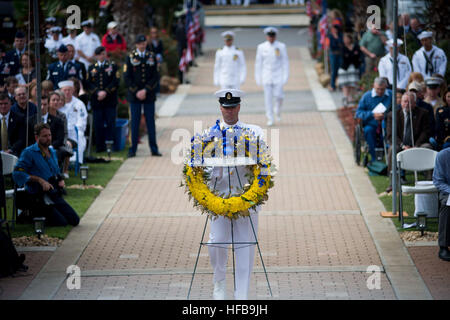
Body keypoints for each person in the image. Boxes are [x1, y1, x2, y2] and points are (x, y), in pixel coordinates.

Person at [207, 88, 264, 300]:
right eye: (225, 108)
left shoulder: (255, 131)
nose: (229, 112)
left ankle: (242, 294)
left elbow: (263, 163)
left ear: (238, 107)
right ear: (220, 108)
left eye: (232, 108)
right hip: (220, 197)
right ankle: (219, 282)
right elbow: (203, 170)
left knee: (245, 247)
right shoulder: (208, 135)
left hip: (246, 199)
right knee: (216, 242)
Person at [12, 123, 80, 227]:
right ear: (36, 137)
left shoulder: (52, 151)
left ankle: (42, 213)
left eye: (49, 135)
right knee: (62, 223)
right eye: (44, 136)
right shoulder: (28, 152)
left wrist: (60, 179)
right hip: (38, 195)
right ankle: (28, 215)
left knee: (75, 220)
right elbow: (17, 173)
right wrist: (39, 180)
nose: (48, 138)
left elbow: (55, 171)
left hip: (53, 193)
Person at [123, 34, 161, 158]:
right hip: (134, 96)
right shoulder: (130, 57)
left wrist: (145, 90)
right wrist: (137, 91)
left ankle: (154, 148)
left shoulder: (151, 56)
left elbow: (155, 76)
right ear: (136, 45)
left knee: (151, 122)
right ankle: (132, 149)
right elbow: (127, 77)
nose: (142, 45)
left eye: (144, 43)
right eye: (140, 43)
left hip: (148, 95)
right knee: (135, 122)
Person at [385, 92, 431, 192]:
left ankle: (429, 183)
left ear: (415, 103)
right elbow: (391, 135)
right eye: (405, 102)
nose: (407, 104)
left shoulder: (423, 113)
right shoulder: (393, 115)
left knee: (428, 147)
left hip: (417, 144)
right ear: (401, 102)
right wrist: (403, 146)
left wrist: (416, 145)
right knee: (392, 149)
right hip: (400, 145)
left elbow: (425, 132)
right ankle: (392, 183)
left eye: (410, 102)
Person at [86, 46, 120, 152]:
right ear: (96, 56)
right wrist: (97, 92)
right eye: (100, 54)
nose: (102, 56)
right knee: (98, 124)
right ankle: (100, 146)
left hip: (109, 100)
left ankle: (111, 145)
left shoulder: (112, 66)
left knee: (110, 123)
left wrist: (106, 91)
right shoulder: (91, 68)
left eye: (103, 54)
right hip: (97, 101)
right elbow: (88, 83)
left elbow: (116, 81)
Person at [255, 27, 289, 126]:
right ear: (267, 36)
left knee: (279, 96)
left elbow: (285, 62)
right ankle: (270, 117)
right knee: (268, 98)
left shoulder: (281, 46)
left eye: (273, 36)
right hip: (266, 75)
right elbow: (258, 63)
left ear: (275, 36)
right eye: (269, 36)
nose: (271, 38)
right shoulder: (261, 47)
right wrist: (258, 77)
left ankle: (277, 111)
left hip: (278, 75)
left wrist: (285, 76)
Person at [355, 77, 392, 163]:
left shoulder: (390, 95)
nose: (379, 91)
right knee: (368, 131)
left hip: (386, 123)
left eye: (382, 89)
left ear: (386, 87)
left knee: (389, 131)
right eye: (377, 89)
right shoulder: (367, 96)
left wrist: (385, 115)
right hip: (371, 123)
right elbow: (359, 113)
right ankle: (374, 157)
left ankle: (386, 155)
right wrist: (372, 114)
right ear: (373, 87)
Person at [58, 80, 88, 165]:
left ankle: (76, 162)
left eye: (69, 90)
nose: (67, 92)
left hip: (74, 132)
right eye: (65, 90)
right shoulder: (58, 103)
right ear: (61, 91)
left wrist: (77, 129)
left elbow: (82, 120)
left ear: (73, 90)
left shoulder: (79, 103)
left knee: (80, 136)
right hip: (60, 132)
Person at [432, 147, 450, 261]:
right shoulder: (443, 156)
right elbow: (438, 181)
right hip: (448, 191)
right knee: (447, 205)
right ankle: (443, 246)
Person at [338, 32, 362, 106]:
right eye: (344, 39)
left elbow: (357, 56)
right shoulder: (342, 47)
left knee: (353, 84)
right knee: (345, 84)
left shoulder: (356, 46)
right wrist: (352, 55)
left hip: (354, 68)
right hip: (345, 69)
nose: (345, 40)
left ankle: (351, 98)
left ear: (350, 39)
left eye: (346, 38)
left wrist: (350, 56)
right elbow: (345, 58)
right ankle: (345, 98)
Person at [327, 24, 343, 92]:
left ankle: (340, 85)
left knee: (340, 70)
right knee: (334, 70)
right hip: (333, 54)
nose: (334, 30)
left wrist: (337, 40)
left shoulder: (340, 35)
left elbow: (341, 44)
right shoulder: (330, 36)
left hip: (339, 54)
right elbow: (332, 46)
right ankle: (332, 85)